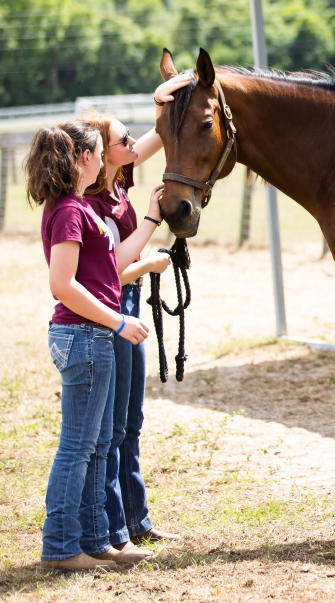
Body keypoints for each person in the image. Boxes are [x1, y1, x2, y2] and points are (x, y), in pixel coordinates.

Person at [27, 120, 163, 570]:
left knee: (99, 443)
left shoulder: (79, 208)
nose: (109, 159)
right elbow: (62, 285)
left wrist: (150, 231)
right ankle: (62, 547)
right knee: (78, 447)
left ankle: (95, 539)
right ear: (84, 158)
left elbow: (109, 269)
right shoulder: (68, 211)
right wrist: (118, 320)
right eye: (102, 152)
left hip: (94, 335)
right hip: (84, 335)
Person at [82, 72, 194, 553]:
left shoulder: (115, 182)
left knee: (130, 422)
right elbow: (105, 271)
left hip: (125, 305)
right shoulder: (89, 199)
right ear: (103, 153)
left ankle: (135, 519)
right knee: (110, 428)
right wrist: (147, 253)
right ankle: (115, 529)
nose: (132, 144)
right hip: (109, 311)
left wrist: (163, 104)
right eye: (121, 139)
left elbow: (151, 142)